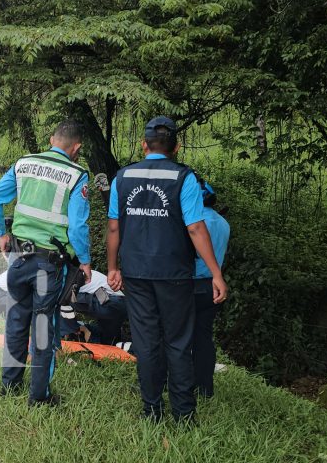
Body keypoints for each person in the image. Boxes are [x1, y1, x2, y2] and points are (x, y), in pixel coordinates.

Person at [106, 116, 228, 423]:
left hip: (135, 273)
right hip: (174, 275)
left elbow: (112, 227)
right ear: (176, 146)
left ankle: (151, 410)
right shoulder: (183, 178)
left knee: (146, 343)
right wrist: (215, 273)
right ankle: (184, 415)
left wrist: (112, 267)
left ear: (144, 145)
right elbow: (197, 229)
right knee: (178, 342)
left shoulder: (122, 177)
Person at [0, 119, 91, 407]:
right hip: (49, 264)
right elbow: (79, 227)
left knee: (17, 322)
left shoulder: (23, 163)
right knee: (44, 328)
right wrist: (85, 261)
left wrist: (1, 234)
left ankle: (9, 386)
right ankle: (39, 397)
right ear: (76, 147)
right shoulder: (76, 174)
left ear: (50, 139)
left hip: (19, 259)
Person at [0, 270, 127, 345]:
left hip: (110, 300)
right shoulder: (56, 271)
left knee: (55, 300)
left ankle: (75, 333)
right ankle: (73, 333)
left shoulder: (56, 270)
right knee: (108, 341)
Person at [192, 179, 230, 398]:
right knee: (203, 337)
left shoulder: (193, 222)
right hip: (212, 287)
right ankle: (205, 388)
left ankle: (173, 383)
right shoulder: (223, 223)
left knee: (174, 335)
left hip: (187, 284)